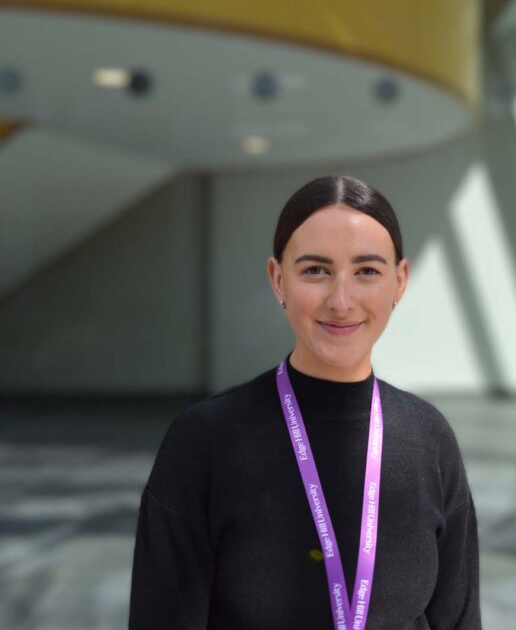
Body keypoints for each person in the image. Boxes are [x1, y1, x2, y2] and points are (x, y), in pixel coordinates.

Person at [128, 175, 481, 629]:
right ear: (279, 279)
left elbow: (460, 622)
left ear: (400, 281)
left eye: (367, 271)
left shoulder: (428, 440)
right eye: (315, 270)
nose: (341, 300)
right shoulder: (206, 440)